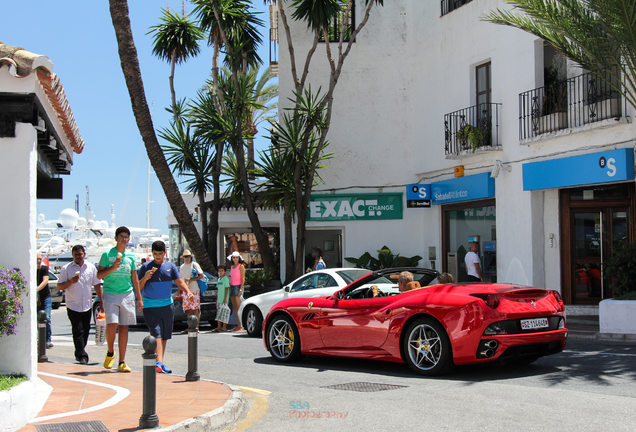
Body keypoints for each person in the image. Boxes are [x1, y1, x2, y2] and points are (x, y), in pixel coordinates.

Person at [138, 240, 192, 374]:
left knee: (165, 336)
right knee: (156, 334)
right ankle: (159, 363)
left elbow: (179, 281)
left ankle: (160, 362)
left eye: (160, 253)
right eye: (155, 254)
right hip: (150, 305)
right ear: (152, 253)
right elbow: (138, 287)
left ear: (164, 253)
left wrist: (188, 292)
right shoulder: (145, 267)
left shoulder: (170, 267)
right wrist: (145, 278)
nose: (157, 256)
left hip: (167, 306)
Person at [97, 226, 144, 373]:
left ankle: (122, 361)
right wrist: (112, 268)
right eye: (121, 236)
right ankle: (110, 352)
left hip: (127, 294)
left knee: (124, 327)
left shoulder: (130, 256)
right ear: (116, 238)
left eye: (126, 237)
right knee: (112, 325)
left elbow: (134, 277)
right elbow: (99, 276)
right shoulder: (107, 254)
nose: (124, 239)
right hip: (111, 293)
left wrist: (139, 298)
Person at [57, 245, 103, 364]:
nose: (78, 257)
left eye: (80, 254)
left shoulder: (91, 267)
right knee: (78, 330)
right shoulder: (66, 268)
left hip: (87, 304)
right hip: (73, 304)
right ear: (72, 255)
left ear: (84, 254)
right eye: (76, 255)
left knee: (86, 329)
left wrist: (102, 302)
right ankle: (82, 355)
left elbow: (97, 285)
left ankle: (79, 351)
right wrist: (70, 282)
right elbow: (59, 286)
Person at [179, 250, 203, 333]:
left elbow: (201, 275)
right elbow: (180, 280)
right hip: (186, 292)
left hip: (194, 290)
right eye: (185, 257)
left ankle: (196, 327)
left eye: (188, 256)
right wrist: (179, 290)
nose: (187, 258)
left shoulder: (194, 265)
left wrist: (191, 279)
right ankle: (190, 327)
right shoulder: (182, 267)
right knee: (188, 310)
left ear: (190, 257)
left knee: (195, 309)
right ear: (183, 258)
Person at [36, 252, 53, 348]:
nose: (38, 261)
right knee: (37, 319)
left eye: (39, 259)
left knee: (46, 317)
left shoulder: (44, 269)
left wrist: (36, 289)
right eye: (36, 259)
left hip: (46, 297)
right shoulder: (31, 270)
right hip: (36, 299)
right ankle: (39, 338)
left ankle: (48, 340)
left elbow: (45, 280)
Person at [228, 251, 245, 331]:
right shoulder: (232, 266)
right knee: (235, 307)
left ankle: (241, 325)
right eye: (233, 257)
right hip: (232, 286)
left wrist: (241, 289)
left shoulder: (240, 266)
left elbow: (243, 278)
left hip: (238, 287)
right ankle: (238, 325)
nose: (235, 259)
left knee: (239, 307)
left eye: (236, 257)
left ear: (239, 258)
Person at [213, 264, 230, 332]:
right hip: (219, 299)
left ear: (225, 271)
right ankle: (219, 326)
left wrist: (225, 299)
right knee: (218, 313)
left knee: (224, 313)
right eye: (219, 271)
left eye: (222, 271)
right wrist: (216, 299)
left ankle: (224, 327)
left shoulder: (225, 279)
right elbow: (218, 290)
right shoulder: (219, 279)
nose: (221, 272)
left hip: (224, 299)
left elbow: (226, 289)